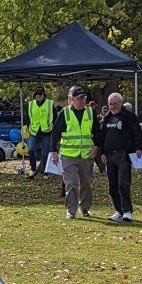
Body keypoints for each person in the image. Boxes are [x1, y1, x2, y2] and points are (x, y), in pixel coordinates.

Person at [96, 92, 142, 221]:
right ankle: (118, 210)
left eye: (115, 104)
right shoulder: (107, 117)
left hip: (124, 155)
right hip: (110, 156)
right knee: (112, 186)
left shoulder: (129, 117)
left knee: (123, 183)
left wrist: (138, 148)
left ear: (121, 103)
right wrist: (102, 152)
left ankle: (127, 211)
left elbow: (137, 133)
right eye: (110, 104)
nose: (112, 106)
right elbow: (102, 136)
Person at [57, 86, 98, 218]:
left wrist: (96, 147)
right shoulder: (65, 113)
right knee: (71, 183)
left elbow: (97, 132)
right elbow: (55, 133)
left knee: (86, 183)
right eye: (79, 98)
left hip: (86, 155)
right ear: (71, 99)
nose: (82, 101)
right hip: (68, 155)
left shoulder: (90, 112)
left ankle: (85, 208)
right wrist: (52, 151)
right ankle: (71, 210)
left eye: (84, 98)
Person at [23, 88, 56, 178]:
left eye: (40, 93)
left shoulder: (50, 103)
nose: (38, 95)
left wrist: (53, 128)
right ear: (34, 95)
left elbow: (55, 116)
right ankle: (33, 169)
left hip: (47, 131)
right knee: (31, 150)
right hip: (34, 131)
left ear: (44, 94)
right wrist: (28, 126)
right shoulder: (30, 104)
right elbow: (28, 117)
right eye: (36, 94)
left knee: (45, 153)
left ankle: (45, 171)